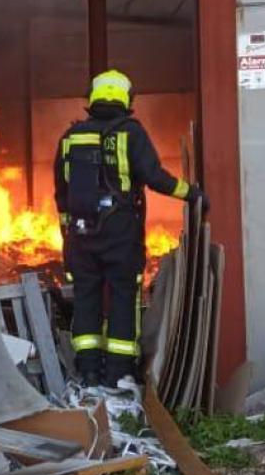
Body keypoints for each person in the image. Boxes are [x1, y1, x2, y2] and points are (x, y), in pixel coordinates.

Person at [53, 69, 208, 388]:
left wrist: (68, 234)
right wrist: (191, 193)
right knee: (124, 298)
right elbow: (155, 177)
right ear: (126, 99)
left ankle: (89, 370)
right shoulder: (130, 133)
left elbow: (61, 192)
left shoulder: (71, 137)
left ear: (92, 98)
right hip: (120, 235)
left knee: (86, 299)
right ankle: (119, 372)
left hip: (80, 237)